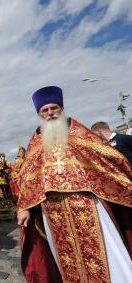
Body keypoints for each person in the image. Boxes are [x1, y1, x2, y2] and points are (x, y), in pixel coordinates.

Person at [18, 86, 132, 282]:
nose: (50, 113)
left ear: (61, 109)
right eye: (44, 111)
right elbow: (28, 178)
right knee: (67, 261)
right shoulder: (36, 142)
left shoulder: (81, 134)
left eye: (54, 108)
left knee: (107, 254)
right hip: (53, 212)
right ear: (39, 114)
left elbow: (110, 160)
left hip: (89, 205)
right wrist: (24, 208)